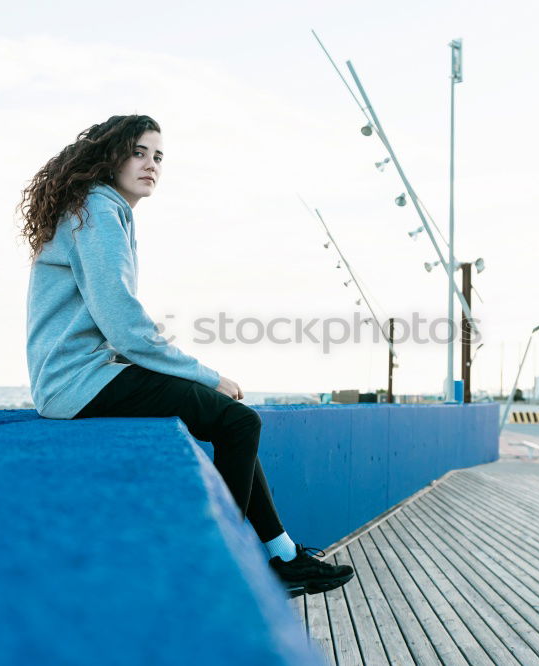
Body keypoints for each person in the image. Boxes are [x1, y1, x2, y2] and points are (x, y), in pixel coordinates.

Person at [18, 114, 353, 598]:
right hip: (79, 382)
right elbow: (125, 326)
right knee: (239, 422)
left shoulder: (96, 210)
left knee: (234, 420)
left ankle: (281, 555)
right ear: (109, 156)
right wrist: (209, 375)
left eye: (158, 156)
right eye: (138, 152)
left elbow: (118, 328)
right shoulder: (98, 211)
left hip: (84, 377)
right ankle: (221, 564)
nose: (151, 164)